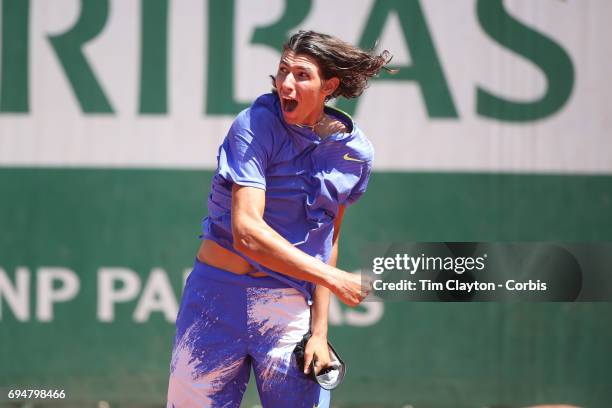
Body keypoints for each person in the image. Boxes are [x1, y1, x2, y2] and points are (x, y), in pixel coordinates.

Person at [166, 30, 393, 408]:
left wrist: (319, 333)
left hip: (287, 306)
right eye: (282, 70)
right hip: (214, 298)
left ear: (329, 86)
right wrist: (334, 279)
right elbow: (247, 233)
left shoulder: (354, 154)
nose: (286, 83)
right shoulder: (254, 124)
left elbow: (328, 241)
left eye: (301, 75)